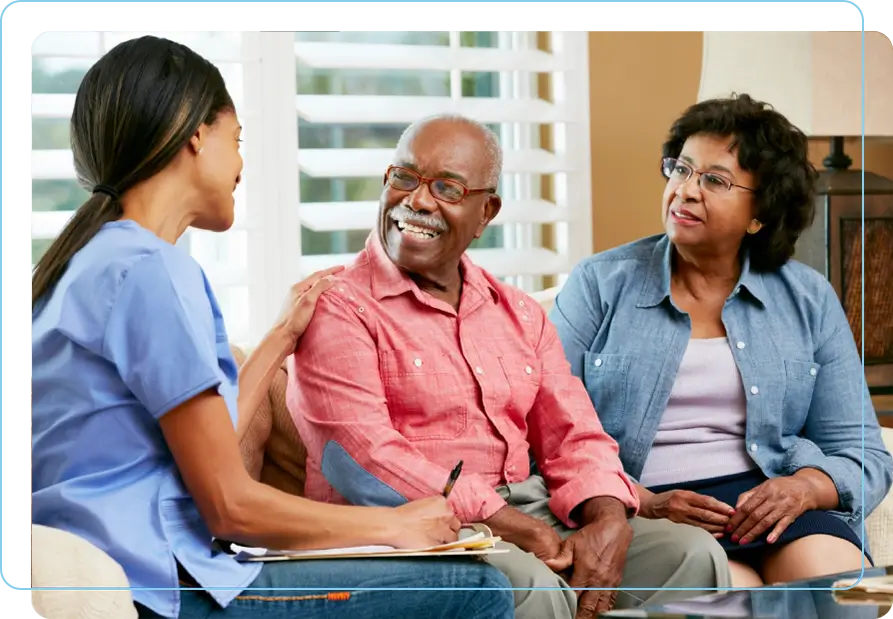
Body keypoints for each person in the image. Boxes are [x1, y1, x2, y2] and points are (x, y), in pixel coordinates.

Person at [30, 36, 515, 619]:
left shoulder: (87, 262)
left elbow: (203, 445)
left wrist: (283, 336)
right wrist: (392, 525)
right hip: (165, 585)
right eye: (236, 142)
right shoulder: (153, 273)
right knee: (475, 591)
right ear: (195, 136)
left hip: (113, 566)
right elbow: (229, 507)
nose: (240, 165)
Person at [285, 113, 732, 619]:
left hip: (530, 510)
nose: (417, 201)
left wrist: (607, 519)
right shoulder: (339, 305)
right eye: (404, 178)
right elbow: (362, 459)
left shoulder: (517, 312)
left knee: (691, 557)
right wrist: (514, 527)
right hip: (414, 530)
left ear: (486, 212)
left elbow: (574, 435)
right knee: (535, 587)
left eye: (447, 188)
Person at [549, 93, 893, 587]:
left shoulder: (808, 298)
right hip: (651, 507)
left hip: (771, 504)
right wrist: (639, 501)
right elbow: (548, 432)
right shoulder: (600, 284)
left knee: (836, 585)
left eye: (714, 180)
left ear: (760, 214)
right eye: (681, 170)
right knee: (734, 594)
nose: (685, 191)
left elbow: (863, 452)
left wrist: (804, 488)